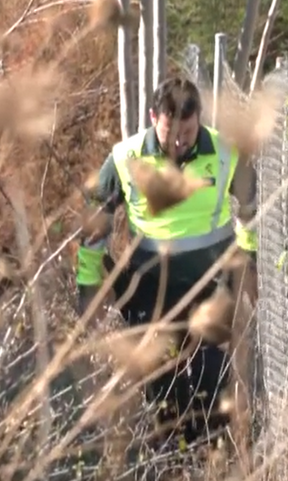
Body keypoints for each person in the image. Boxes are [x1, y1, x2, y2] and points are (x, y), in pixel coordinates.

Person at [75, 76, 259, 451]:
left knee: (211, 383)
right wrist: (88, 287)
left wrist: (247, 264)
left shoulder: (225, 154)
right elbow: (94, 230)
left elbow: (250, 212)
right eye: (169, 132)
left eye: (187, 133)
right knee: (163, 389)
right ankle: (172, 460)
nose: (178, 142)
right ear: (152, 118)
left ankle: (211, 458)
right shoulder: (125, 159)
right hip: (150, 292)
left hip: (211, 288)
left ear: (199, 120)